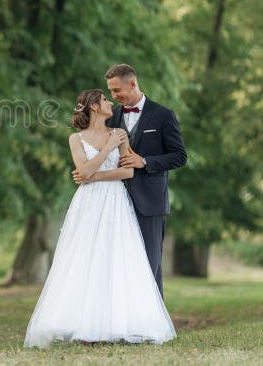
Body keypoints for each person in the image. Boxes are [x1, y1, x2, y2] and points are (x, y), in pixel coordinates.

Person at [24, 89, 176, 347]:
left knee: (116, 258)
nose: (110, 102)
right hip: (88, 205)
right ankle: (84, 325)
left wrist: (92, 176)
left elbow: (127, 172)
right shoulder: (76, 139)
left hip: (116, 202)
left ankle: (116, 324)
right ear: (94, 107)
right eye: (105, 99)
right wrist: (105, 151)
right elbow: (83, 168)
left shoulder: (120, 134)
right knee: (86, 257)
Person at [77, 64, 187, 297]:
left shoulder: (163, 115)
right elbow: (95, 146)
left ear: (133, 84)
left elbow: (179, 156)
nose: (114, 97)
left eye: (117, 91)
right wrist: (86, 172)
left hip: (149, 202)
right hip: (113, 203)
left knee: (149, 262)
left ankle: (155, 325)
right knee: (118, 265)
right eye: (111, 92)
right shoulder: (111, 116)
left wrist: (145, 161)